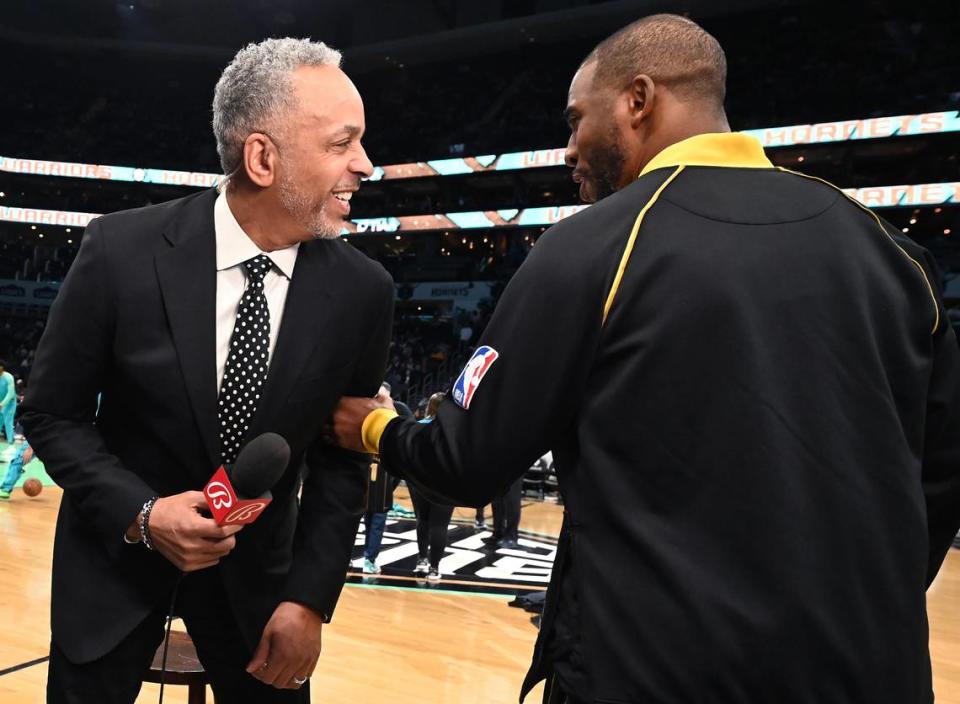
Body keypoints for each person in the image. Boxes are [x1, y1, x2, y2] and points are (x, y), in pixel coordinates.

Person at [332, 14, 960, 704]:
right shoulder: (896, 255)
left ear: (638, 100)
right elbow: (939, 479)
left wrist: (374, 428)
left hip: (654, 670)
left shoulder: (595, 248)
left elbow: (466, 461)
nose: (568, 148)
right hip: (868, 673)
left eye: (576, 121)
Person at [22, 37, 394, 704]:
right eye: (343, 144)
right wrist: (143, 513)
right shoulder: (120, 250)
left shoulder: (365, 291)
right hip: (112, 570)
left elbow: (340, 464)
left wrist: (310, 600)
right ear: (262, 157)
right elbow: (52, 413)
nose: (366, 166)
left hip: (262, 596)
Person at [362, 382, 412, 574]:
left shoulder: (399, 410)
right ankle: (356, 559)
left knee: (376, 520)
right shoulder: (367, 410)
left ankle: (369, 559)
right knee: (363, 520)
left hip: (383, 475)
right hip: (367, 473)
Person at [408, 392, 454, 582]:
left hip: (420, 482)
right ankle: (434, 569)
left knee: (423, 520)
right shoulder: (452, 430)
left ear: (429, 407)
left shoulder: (418, 426)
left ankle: (421, 560)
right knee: (439, 526)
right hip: (445, 484)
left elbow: (409, 455)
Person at [0, 359, 16, 446]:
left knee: (8, 422)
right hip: (0, 404)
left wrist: (2, 404)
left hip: (9, 404)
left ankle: (11, 445)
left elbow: (11, 393)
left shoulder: (8, 377)